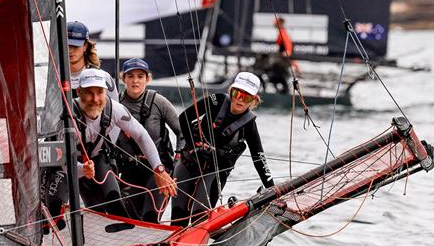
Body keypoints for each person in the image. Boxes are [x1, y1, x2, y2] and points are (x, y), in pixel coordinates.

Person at [44, 68, 177, 221]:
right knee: (57, 212)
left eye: (99, 92)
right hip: (63, 166)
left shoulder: (114, 109)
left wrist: (159, 169)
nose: (95, 99)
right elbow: (65, 162)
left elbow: (141, 135)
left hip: (94, 159)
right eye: (89, 92)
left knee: (115, 205)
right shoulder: (66, 118)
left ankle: (123, 240)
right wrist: (82, 170)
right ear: (79, 92)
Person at [171, 72, 274, 226]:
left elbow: (259, 157)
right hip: (189, 163)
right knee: (178, 215)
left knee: (199, 217)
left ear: (254, 100)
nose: (239, 99)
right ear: (231, 91)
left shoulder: (249, 124)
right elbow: (184, 117)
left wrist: (272, 189)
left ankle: (195, 244)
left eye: (246, 97)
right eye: (236, 93)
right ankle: (173, 245)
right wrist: (194, 145)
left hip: (214, 173)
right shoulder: (215, 100)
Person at [116, 58, 184, 222]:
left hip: (159, 172)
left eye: (140, 76)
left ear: (148, 79)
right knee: (127, 218)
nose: (135, 81)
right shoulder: (114, 104)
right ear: (123, 79)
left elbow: (183, 133)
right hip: (129, 171)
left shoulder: (159, 102)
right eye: (130, 76)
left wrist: (178, 159)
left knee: (149, 217)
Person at [67, 20, 118, 101]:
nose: (70, 50)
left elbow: (114, 110)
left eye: (75, 45)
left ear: (85, 46)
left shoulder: (104, 78)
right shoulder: (51, 76)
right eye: (67, 45)